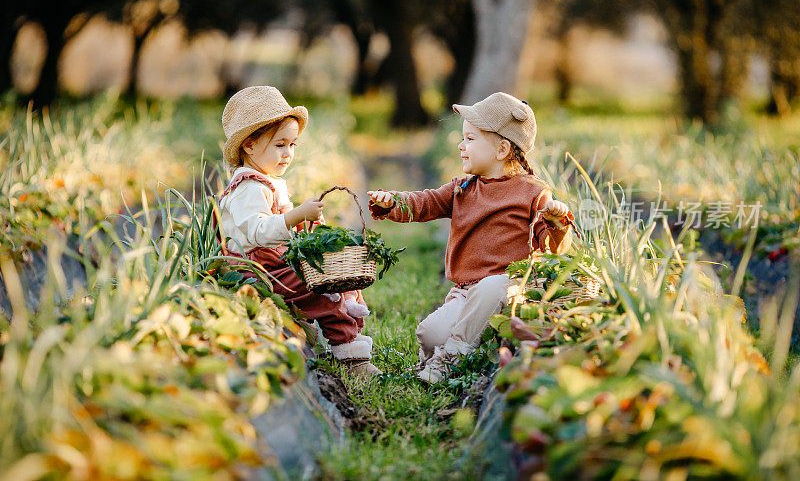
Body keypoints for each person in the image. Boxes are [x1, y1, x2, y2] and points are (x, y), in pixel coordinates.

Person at [367, 92, 573, 384]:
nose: (462, 147)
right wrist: (393, 202)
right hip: (467, 292)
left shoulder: (533, 193)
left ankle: (450, 359)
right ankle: (465, 352)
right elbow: (425, 203)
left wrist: (556, 223)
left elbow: (551, 249)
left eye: (470, 140)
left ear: (502, 149)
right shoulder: (463, 188)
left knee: (493, 285)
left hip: (509, 292)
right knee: (428, 334)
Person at [218, 86, 380, 377]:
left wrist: (306, 225)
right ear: (250, 146)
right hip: (257, 269)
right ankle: (352, 359)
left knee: (337, 281)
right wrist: (295, 216)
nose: (288, 153)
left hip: (275, 261)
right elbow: (258, 232)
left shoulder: (267, 182)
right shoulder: (248, 188)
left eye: (293, 145)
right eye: (280, 145)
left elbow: (280, 228)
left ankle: (337, 334)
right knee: (323, 291)